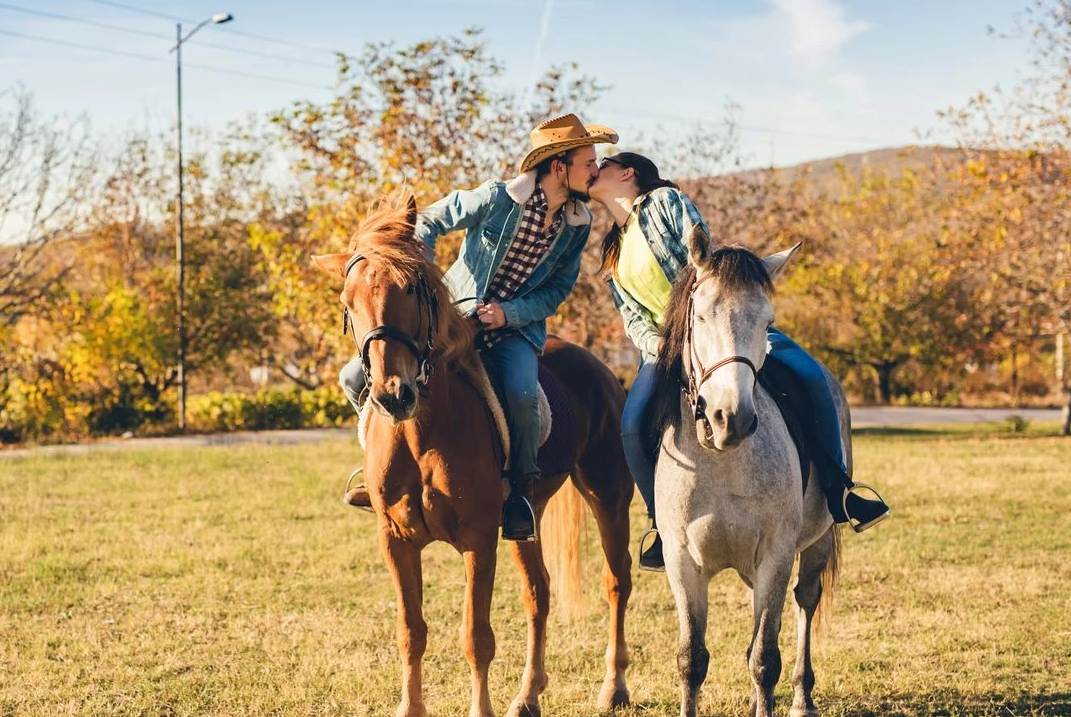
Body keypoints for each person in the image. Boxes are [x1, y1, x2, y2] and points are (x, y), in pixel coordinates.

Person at [588, 152, 890, 571]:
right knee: (632, 422)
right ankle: (661, 524)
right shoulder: (611, 249)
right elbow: (630, 313)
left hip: (723, 328)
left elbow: (710, 262)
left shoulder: (666, 203)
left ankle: (842, 491)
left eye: (601, 164)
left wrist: (709, 318)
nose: (592, 170)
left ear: (627, 174)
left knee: (813, 377)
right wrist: (656, 343)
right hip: (664, 349)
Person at [340, 113, 618, 542]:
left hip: (514, 331)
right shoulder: (497, 199)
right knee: (353, 375)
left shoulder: (576, 227)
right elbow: (431, 219)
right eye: (588, 162)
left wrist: (511, 314)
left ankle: (520, 494)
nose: (595, 171)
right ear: (559, 166)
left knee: (524, 397)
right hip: (454, 320)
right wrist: (420, 272)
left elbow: (558, 288)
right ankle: (376, 475)